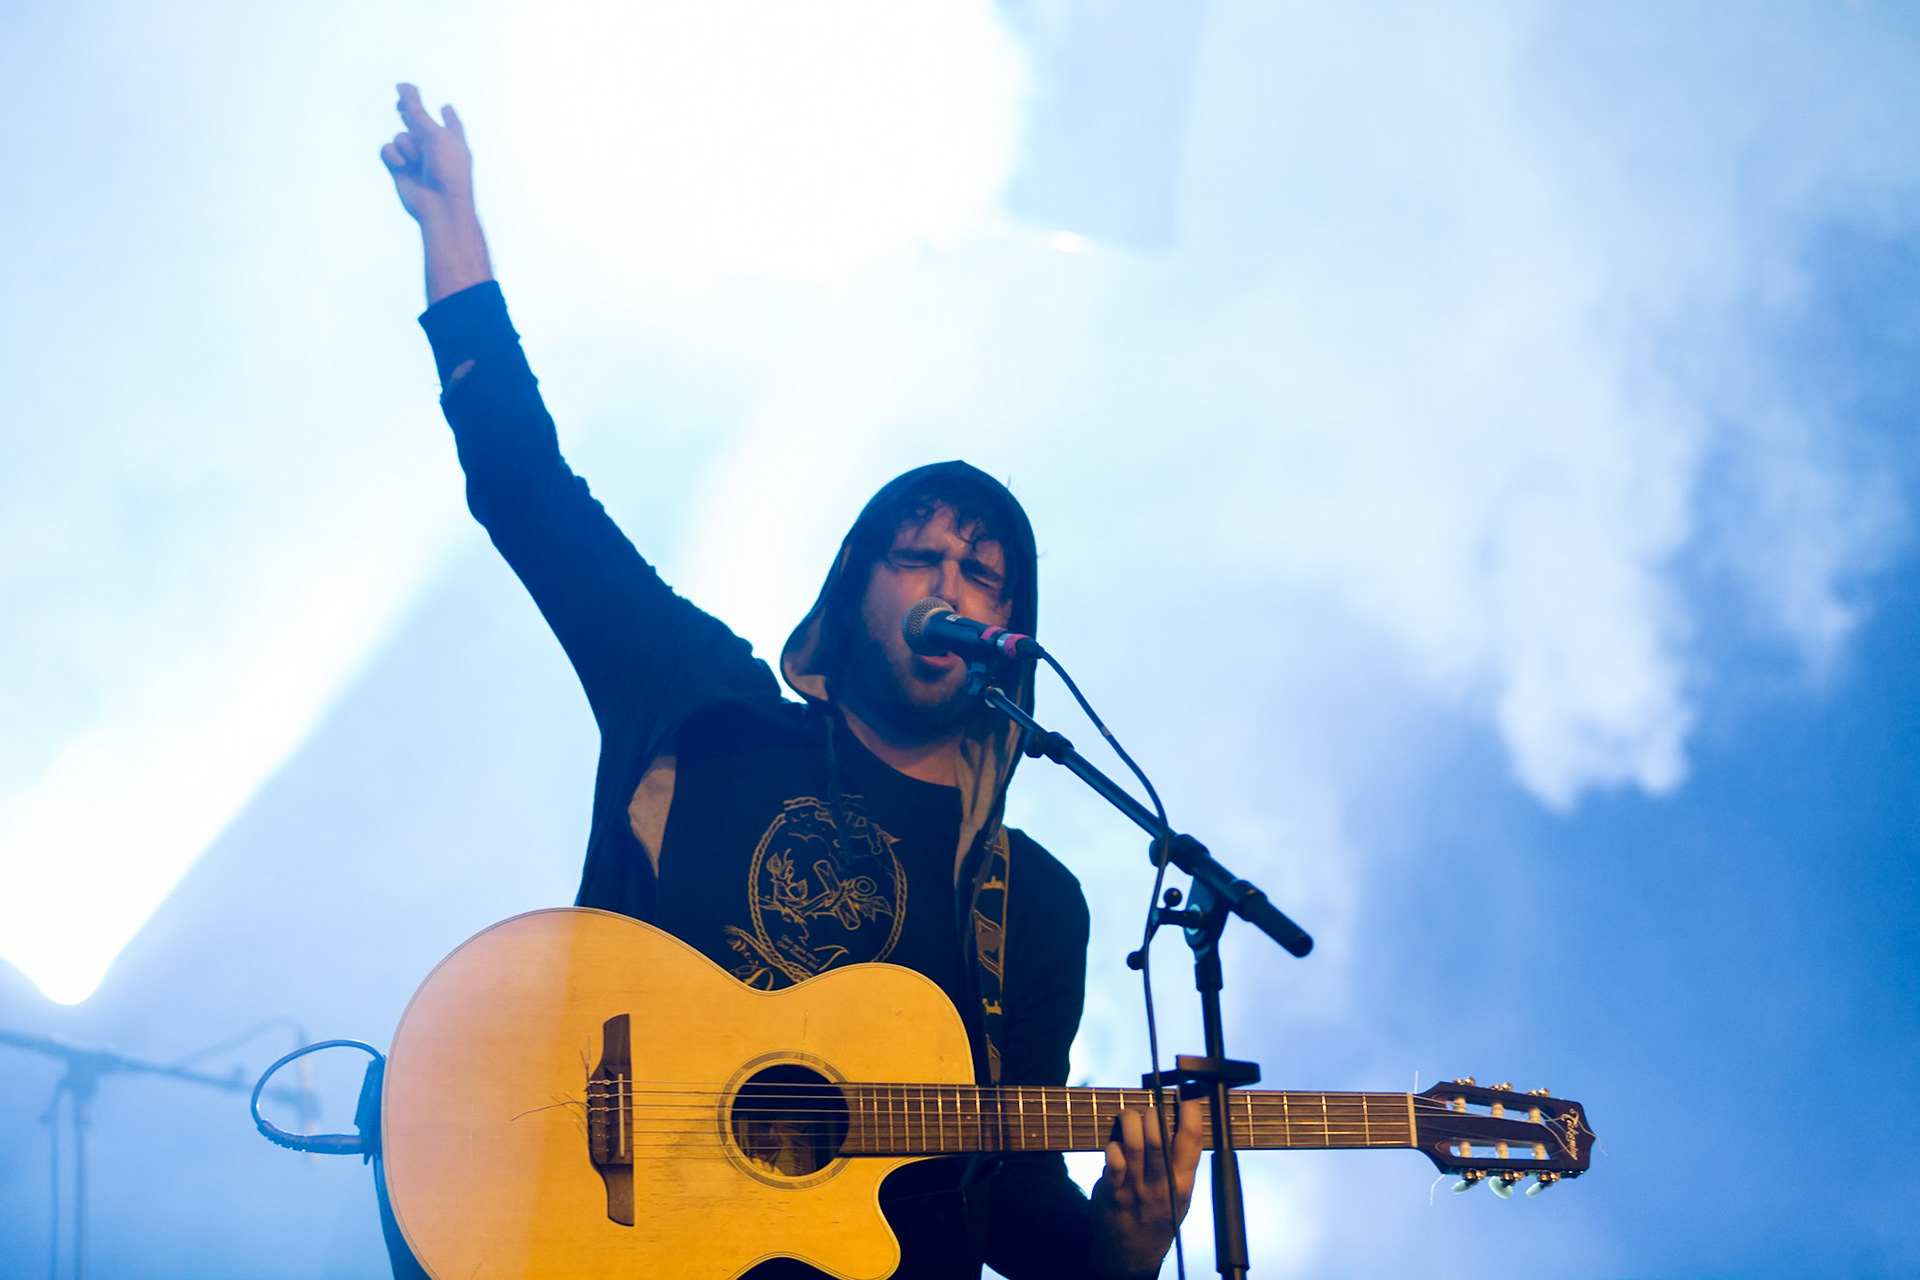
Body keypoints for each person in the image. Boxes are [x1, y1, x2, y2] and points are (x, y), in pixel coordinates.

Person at [379, 82, 1203, 1280]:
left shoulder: (1034, 908)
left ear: (1011, 631)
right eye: (917, 551)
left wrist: (1125, 1243)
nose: (951, 578)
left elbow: (1014, 1208)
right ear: (853, 586)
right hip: (596, 1232)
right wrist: (453, 228)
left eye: (983, 572)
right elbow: (529, 491)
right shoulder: (703, 703)